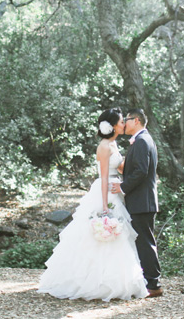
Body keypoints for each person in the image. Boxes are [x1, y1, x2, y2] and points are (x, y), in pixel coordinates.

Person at [37, 108, 149, 301]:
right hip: (105, 193)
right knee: (100, 236)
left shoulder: (114, 144)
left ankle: (118, 281)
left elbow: (121, 168)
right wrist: (105, 206)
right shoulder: (104, 146)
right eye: (122, 122)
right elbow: (104, 176)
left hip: (117, 191)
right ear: (113, 126)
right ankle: (94, 284)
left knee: (119, 237)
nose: (124, 124)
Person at [111, 108, 163, 297]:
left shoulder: (142, 141)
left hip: (142, 201)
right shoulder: (141, 140)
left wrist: (123, 187)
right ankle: (149, 281)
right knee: (143, 241)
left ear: (137, 121)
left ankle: (154, 285)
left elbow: (141, 171)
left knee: (145, 242)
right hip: (141, 201)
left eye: (128, 119)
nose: (125, 122)